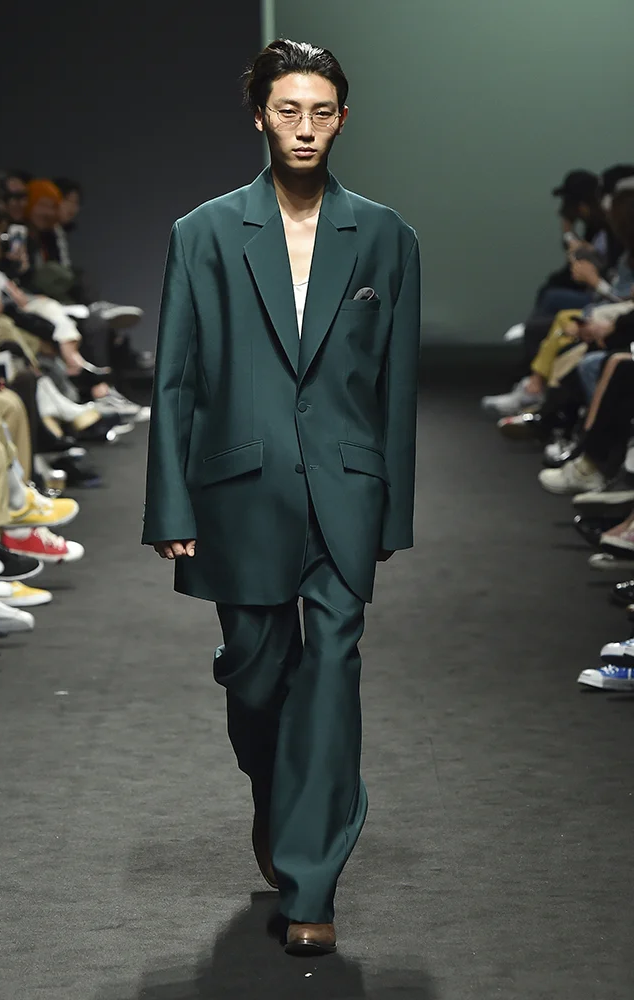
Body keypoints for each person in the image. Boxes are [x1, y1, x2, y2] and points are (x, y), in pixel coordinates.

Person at [142, 38, 420, 956]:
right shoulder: (205, 232)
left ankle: (310, 884)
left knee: (332, 675)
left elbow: (396, 386)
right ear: (259, 114)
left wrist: (394, 508)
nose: (305, 128)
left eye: (322, 112)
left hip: (345, 489)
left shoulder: (384, 235)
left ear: (344, 119)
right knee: (257, 676)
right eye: (288, 110)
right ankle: (280, 794)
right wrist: (169, 505)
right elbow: (174, 379)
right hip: (241, 489)